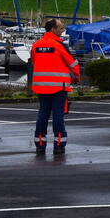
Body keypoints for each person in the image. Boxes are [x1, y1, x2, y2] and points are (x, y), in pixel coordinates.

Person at [30, 18, 80, 155]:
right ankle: (59, 145)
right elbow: (73, 64)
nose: (63, 31)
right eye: (61, 28)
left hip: (41, 86)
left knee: (42, 115)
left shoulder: (36, 45)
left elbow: (34, 61)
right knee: (58, 115)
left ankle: (40, 144)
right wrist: (76, 78)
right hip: (58, 87)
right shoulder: (59, 45)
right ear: (53, 29)